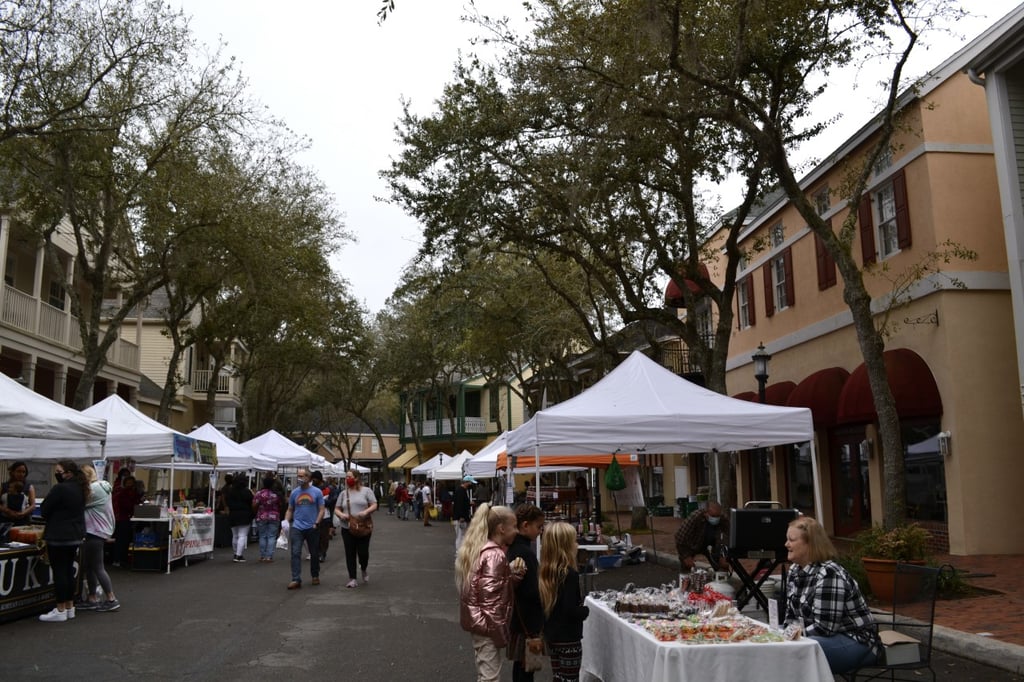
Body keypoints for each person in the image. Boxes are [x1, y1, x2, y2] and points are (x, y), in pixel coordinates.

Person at [783, 516, 880, 674]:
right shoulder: (795, 570)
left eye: (791, 540)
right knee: (776, 643)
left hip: (856, 640)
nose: (786, 544)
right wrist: (784, 633)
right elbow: (791, 617)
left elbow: (825, 628)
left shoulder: (829, 573)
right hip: (818, 637)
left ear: (810, 544)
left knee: (793, 652)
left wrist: (788, 637)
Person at [456, 503, 526, 682]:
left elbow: (490, 590)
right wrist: (501, 634)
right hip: (488, 627)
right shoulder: (495, 555)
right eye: (514, 526)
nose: (517, 531)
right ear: (502, 529)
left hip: (479, 624)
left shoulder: (481, 549)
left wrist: (513, 576)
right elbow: (491, 603)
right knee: (490, 677)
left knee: (486, 674)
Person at [539, 521, 590, 682]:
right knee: (570, 677)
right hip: (569, 637)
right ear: (566, 546)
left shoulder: (546, 572)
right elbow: (570, 610)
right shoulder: (569, 575)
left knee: (558, 676)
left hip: (552, 635)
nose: (577, 545)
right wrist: (585, 610)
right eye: (574, 541)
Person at [38, 460, 88, 622]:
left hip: (58, 535)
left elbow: (45, 509)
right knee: (68, 571)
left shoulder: (60, 489)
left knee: (59, 572)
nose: (57, 473)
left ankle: (60, 609)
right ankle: (69, 606)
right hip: (74, 535)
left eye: (59, 471)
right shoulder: (80, 489)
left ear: (68, 473)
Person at [507, 504, 545, 682]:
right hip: (527, 619)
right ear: (525, 526)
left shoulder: (514, 548)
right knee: (526, 667)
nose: (540, 531)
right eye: (538, 527)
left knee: (521, 665)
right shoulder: (524, 552)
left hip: (518, 616)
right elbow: (531, 590)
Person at [77, 464, 119, 612]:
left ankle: (110, 598)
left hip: (95, 531)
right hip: (98, 531)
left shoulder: (93, 490)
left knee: (97, 566)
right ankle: (92, 597)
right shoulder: (102, 487)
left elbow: (78, 504)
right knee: (90, 566)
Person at [333, 470, 378, 588]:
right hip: (347, 527)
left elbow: (374, 504)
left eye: (350, 477)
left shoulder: (366, 491)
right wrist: (341, 515)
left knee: (363, 553)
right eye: (346, 477)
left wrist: (366, 512)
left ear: (357, 478)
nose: (347, 479)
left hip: (363, 526)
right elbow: (337, 508)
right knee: (350, 553)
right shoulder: (343, 493)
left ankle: (363, 567)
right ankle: (352, 578)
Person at [283, 467, 324, 589]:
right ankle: (296, 579)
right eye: (298, 476)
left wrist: (317, 522)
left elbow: (322, 509)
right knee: (295, 552)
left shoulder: (317, 492)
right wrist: (286, 521)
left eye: (302, 476)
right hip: (297, 527)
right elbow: (290, 509)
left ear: (308, 477)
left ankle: (315, 575)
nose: (299, 478)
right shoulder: (295, 493)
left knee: (314, 553)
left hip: (312, 526)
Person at [674, 501, 731, 571]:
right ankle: (686, 579)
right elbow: (680, 537)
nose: (716, 518)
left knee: (722, 566)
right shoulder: (695, 517)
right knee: (687, 565)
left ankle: (721, 580)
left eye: (718, 516)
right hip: (693, 544)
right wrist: (685, 556)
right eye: (713, 516)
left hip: (712, 545)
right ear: (706, 513)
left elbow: (728, 537)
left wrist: (723, 555)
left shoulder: (723, 519)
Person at [111, 474, 141, 567]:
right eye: (128, 482)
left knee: (125, 540)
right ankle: (118, 559)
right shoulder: (124, 493)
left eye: (131, 482)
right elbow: (126, 505)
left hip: (127, 518)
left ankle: (122, 558)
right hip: (123, 518)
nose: (130, 484)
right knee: (121, 540)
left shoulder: (134, 492)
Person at [251, 475, 282, 563]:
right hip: (274, 516)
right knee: (272, 536)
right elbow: (281, 505)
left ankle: (262, 555)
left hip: (262, 516)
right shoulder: (276, 494)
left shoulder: (259, 493)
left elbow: (254, 505)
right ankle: (269, 556)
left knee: (262, 536)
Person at [224, 473, 254, 563]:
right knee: (242, 535)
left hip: (233, 514)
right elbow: (251, 503)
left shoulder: (230, 491)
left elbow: (227, 502)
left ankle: (235, 553)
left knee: (235, 535)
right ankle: (239, 555)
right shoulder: (247, 492)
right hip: (245, 514)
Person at [0, 461, 36, 525]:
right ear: (13, 472)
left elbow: (33, 505)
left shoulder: (29, 487)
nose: (21, 474)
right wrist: (8, 511)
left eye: (23, 472)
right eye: (18, 471)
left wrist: (23, 513)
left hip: (23, 521)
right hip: (4, 521)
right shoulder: (3, 486)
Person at [311, 471, 335, 562]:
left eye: (315, 478)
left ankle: (322, 553)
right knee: (315, 536)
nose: (313, 480)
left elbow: (332, 501)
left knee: (324, 536)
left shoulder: (329, 489)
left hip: (325, 516)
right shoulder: (311, 488)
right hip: (313, 515)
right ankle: (316, 553)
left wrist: (322, 502)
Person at [453, 474, 476, 554]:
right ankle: (459, 552)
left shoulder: (461, 491)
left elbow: (461, 503)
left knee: (462, 535)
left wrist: (468, 504)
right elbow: (459, 504)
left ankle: (460, 551)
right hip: (460, 518)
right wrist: (461, 516)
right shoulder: (461, 491)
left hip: (460, 517)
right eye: (470, 483)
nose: (471, 485)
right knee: (460, 536)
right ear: (467, 482)